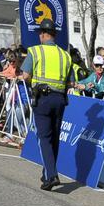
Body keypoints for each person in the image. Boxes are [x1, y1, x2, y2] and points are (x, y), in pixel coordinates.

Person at [21, 19, 75, 191]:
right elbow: (72, 82)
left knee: (44, 138)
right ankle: (47, 175)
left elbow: (25, 75)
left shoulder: (35, 51)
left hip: (42, 98)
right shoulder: (65, 55)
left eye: (40, 33)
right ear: (55, 35)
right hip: (59, 99)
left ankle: (52, 175)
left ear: (43, 34)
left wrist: (35, 83)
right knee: (54, 138)